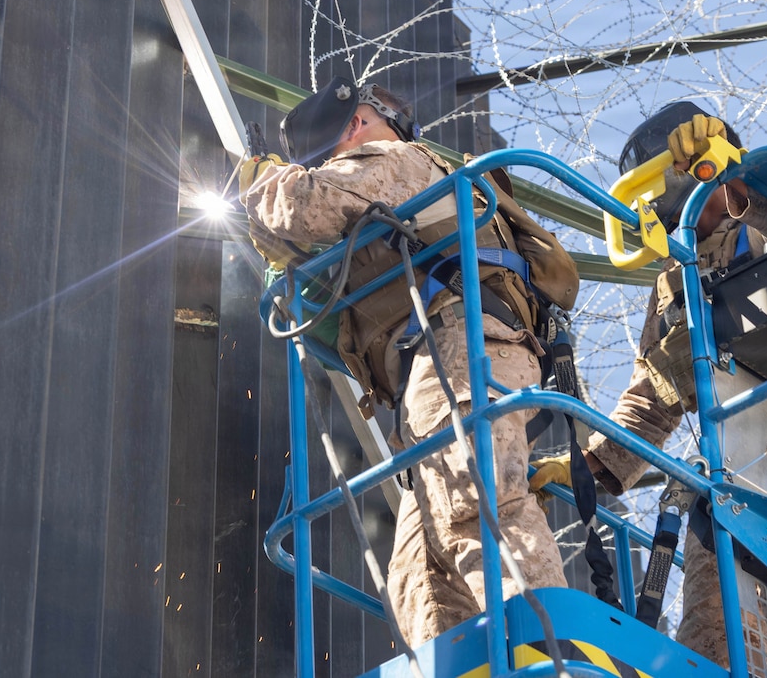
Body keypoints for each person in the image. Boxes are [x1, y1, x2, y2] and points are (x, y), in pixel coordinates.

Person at [240, 76, 571, 646]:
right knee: (420, 573)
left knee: (476, 504)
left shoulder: (397, 159)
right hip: (433, 373)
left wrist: (256, 185)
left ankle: (552, 651)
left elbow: (303, 205)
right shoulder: (376, 220)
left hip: (462, 349)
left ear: (355, 127)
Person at [530, 102, 767, 667]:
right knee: (717, 646)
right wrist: (593, 465)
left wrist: (737, 180)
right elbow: (653, 402)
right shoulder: (674, 286)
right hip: (743, 480)